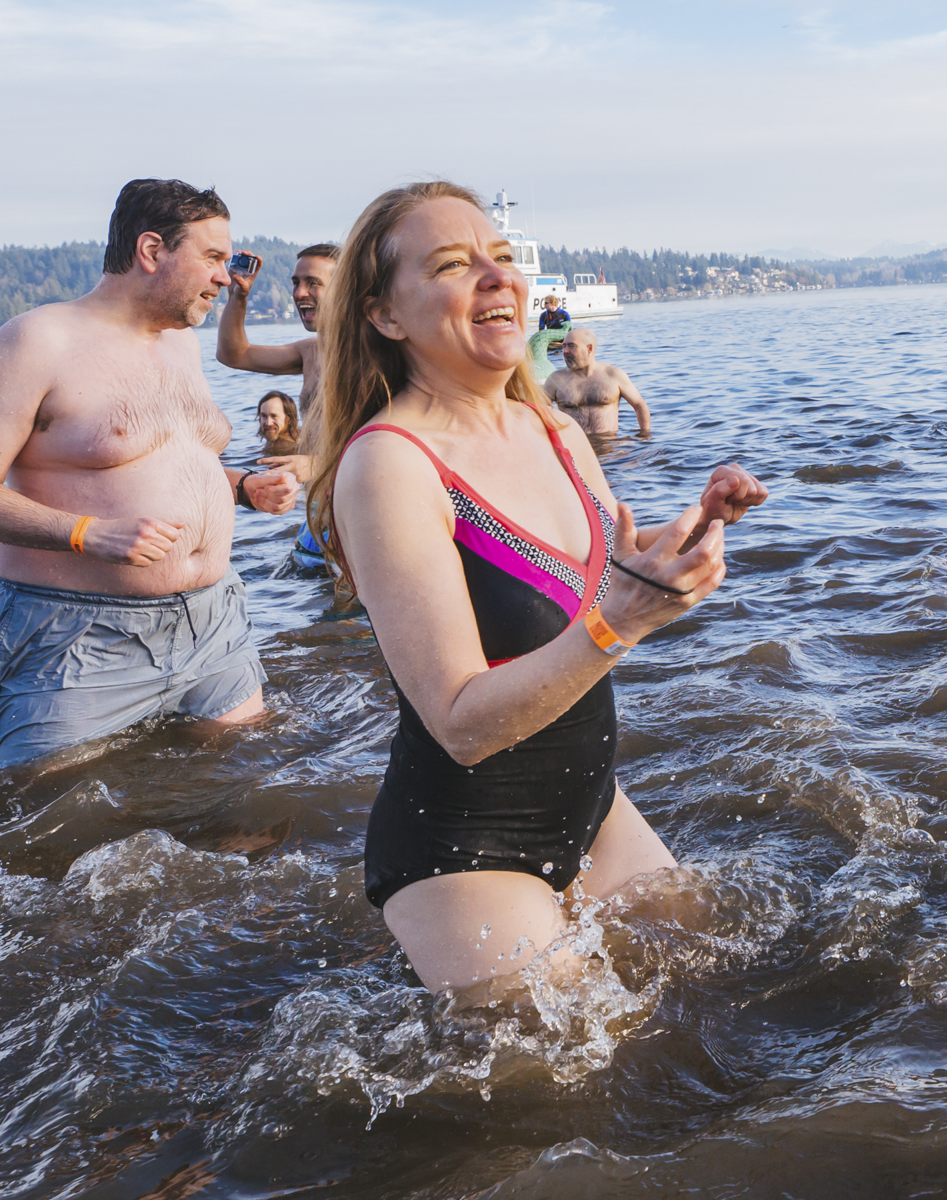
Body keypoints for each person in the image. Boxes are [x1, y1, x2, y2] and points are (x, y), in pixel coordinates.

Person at [309, 181, 766, 993]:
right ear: (384, 314)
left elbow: (594, 577)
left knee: (725, 985)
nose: (497, 277)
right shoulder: (390, 464)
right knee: (580, 1081)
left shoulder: (549, 427)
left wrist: (692, 529)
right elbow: (459, 723)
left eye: (500, 257)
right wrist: (617, 626)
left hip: (592, 808)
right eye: (454, 264)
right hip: (462, 842)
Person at [0, 178, 301, 771]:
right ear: (151, 250)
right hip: (77, 636)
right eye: (211, 258)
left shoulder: (180, 344)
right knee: (47, 827)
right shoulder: (35, 341)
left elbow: (173, 460)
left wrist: (243, 488)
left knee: (238, 802)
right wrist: (86, 532)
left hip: (214, 623)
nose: (225, 277)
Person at [215, 242, 339, 483]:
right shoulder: (310, 352)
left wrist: (318, 464)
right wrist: (238, 295)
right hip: (321, 502)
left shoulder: (371, 354)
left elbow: (387, 442)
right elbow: (233, 354)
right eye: (295, 283)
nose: (299, 293)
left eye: (313, 282)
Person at [543, 327, 652, 438]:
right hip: (574, 447)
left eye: (571, 346)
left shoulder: (613, 375)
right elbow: (537, 411)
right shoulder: (556, 380)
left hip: (610, 448)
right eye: (564, 346)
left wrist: (644, 437)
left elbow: (639, 405)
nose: (565, 351)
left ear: (589, 348)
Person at [255, 389, 301, 457]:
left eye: (274, 416)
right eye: (264, 416)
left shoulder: (279, 448)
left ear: (289, 419)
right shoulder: (300, 434)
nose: (268, 423)